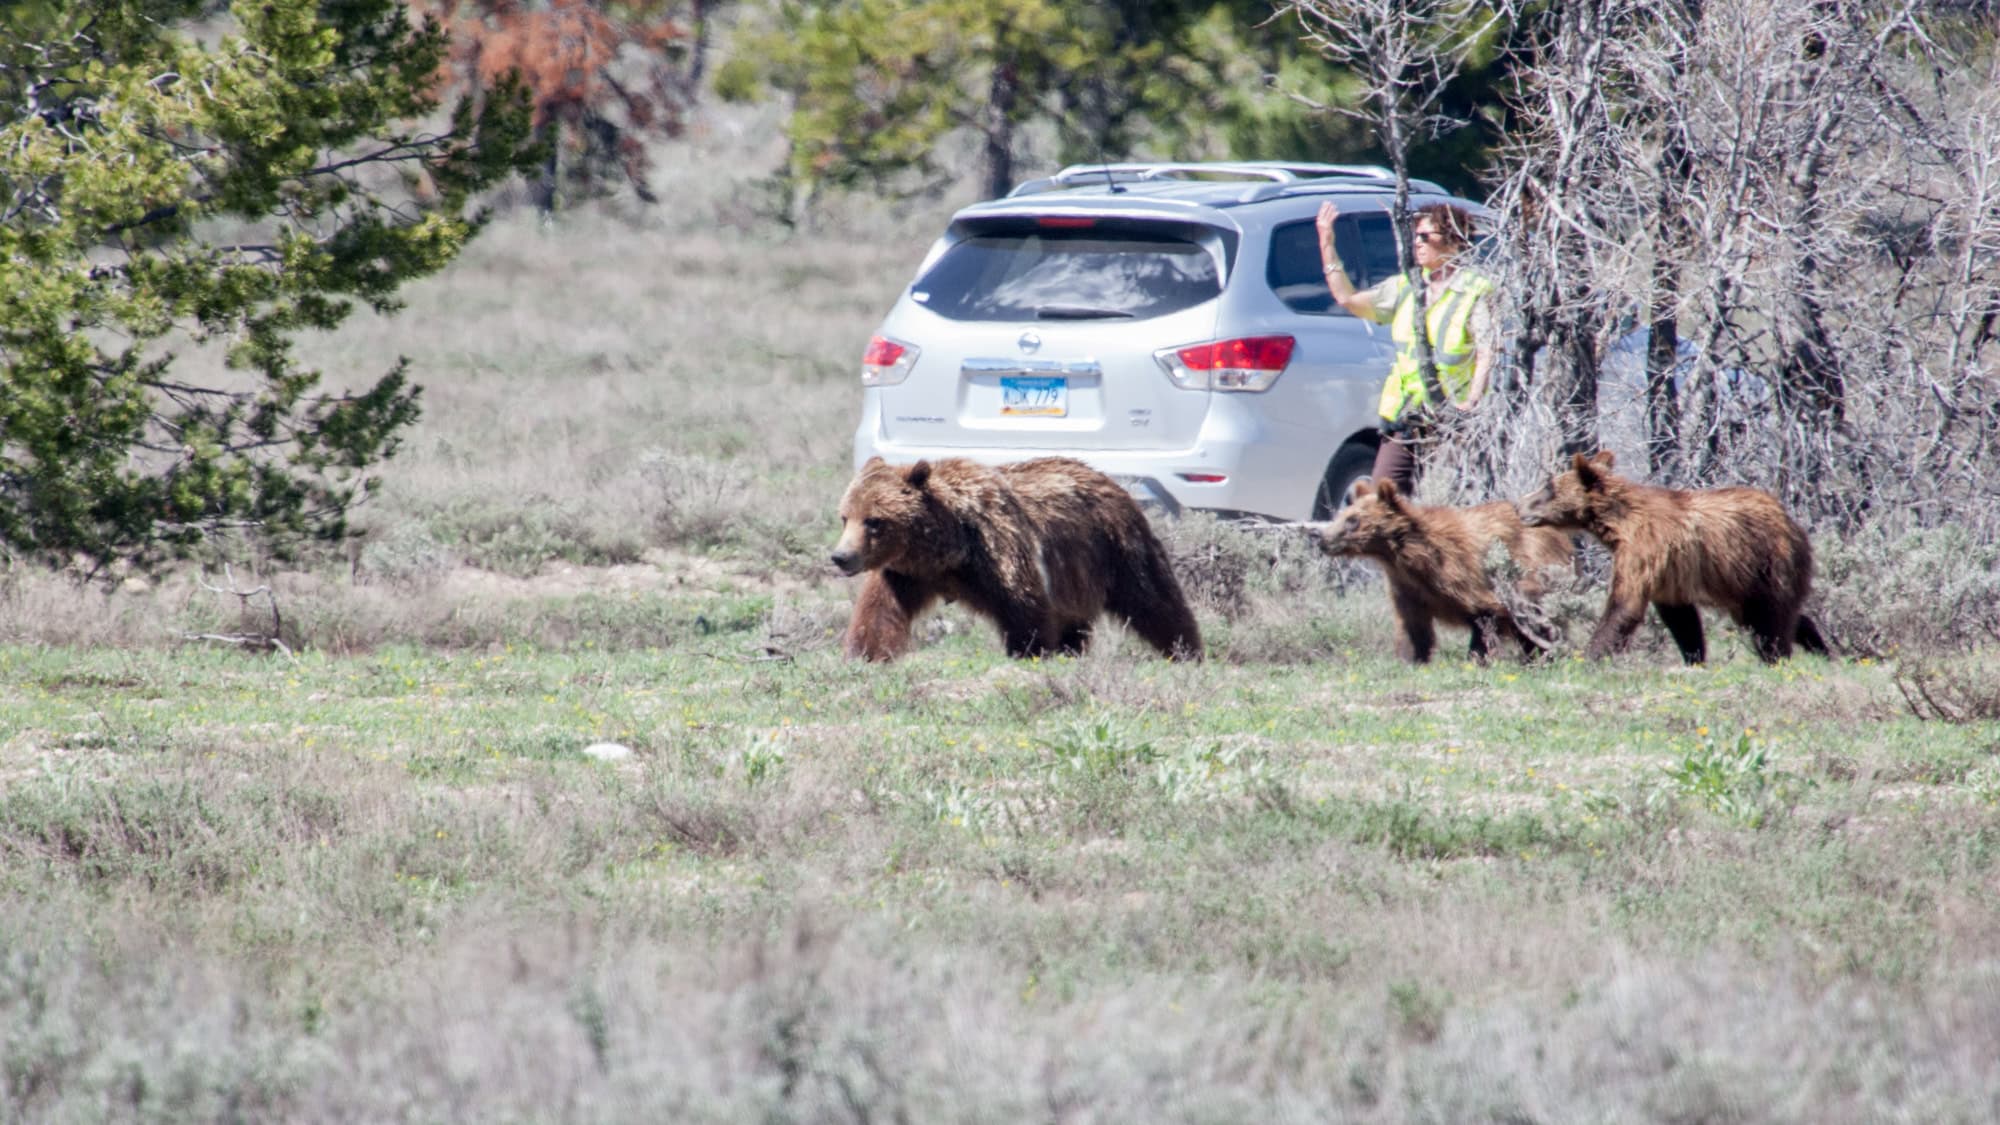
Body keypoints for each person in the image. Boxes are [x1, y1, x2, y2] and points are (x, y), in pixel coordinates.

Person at [1317, 200, 1497, 496]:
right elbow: (1348, 299)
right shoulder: (1406, 287)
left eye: (1426, 236)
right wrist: (1327, 243)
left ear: (1454, 241)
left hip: (1451, 420)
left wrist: (1471, 402)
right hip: (1406, 417)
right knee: (1383, 503)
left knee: (1446, 508)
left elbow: (1487, 350)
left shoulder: (1475, 289)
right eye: (1415, 236)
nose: (1418, 242)